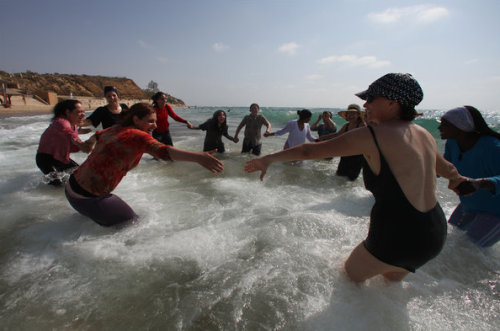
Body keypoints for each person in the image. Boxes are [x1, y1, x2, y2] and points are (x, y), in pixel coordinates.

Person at [245, 73, 466, 283]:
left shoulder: (373, 135)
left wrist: (268, 160)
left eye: (370, 98)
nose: (366, 105)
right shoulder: (423, 133)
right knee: (388, 288)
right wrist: (458, 182)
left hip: (398, 235)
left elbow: (309, 151)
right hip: (434, 234)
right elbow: (448, 169)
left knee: (348, 281)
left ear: (392, 103)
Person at [65, 103, 224, 227]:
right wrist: (198, 157)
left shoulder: (116, 128)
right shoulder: (137, 135)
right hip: (88, 198)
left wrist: (89, 143)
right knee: (136, 227)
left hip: (71, 188)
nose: (154, 125)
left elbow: (97, 134)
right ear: (136, 120)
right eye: (150, 121)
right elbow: (164, 151)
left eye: (155, 121)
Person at [438, 106, 500, 247]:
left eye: (445, 124)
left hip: (496, 211)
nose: (439, 128)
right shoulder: (453, 143)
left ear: (461, 127)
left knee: (468, 250)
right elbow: (442, 168)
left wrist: (480, 183)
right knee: (445, 241)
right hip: (470, 205)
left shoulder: (492, 147)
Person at [36, 100, 94, 186]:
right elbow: (68, 132)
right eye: (79, 112)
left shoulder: (73, 124)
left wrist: (79, 132)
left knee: (80, 176)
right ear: (68, 112)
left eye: (83, 111)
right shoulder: (60, 122)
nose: (83, 114)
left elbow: (69, 133)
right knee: (57, 186)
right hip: (44, 159)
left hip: (59, 157)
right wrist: (81, 144)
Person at [319, 104, 366, 180]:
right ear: (346, 116)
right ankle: (337, 191)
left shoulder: (362, 125)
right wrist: (323, 137)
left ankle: (350, 191)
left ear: (358, 115)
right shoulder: (346, 126)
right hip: (346, 154)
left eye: (353, 113)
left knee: (351, 179)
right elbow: (337, 134)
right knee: (339, 175)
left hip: (357, 156)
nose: (351, 115)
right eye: (349, 114)